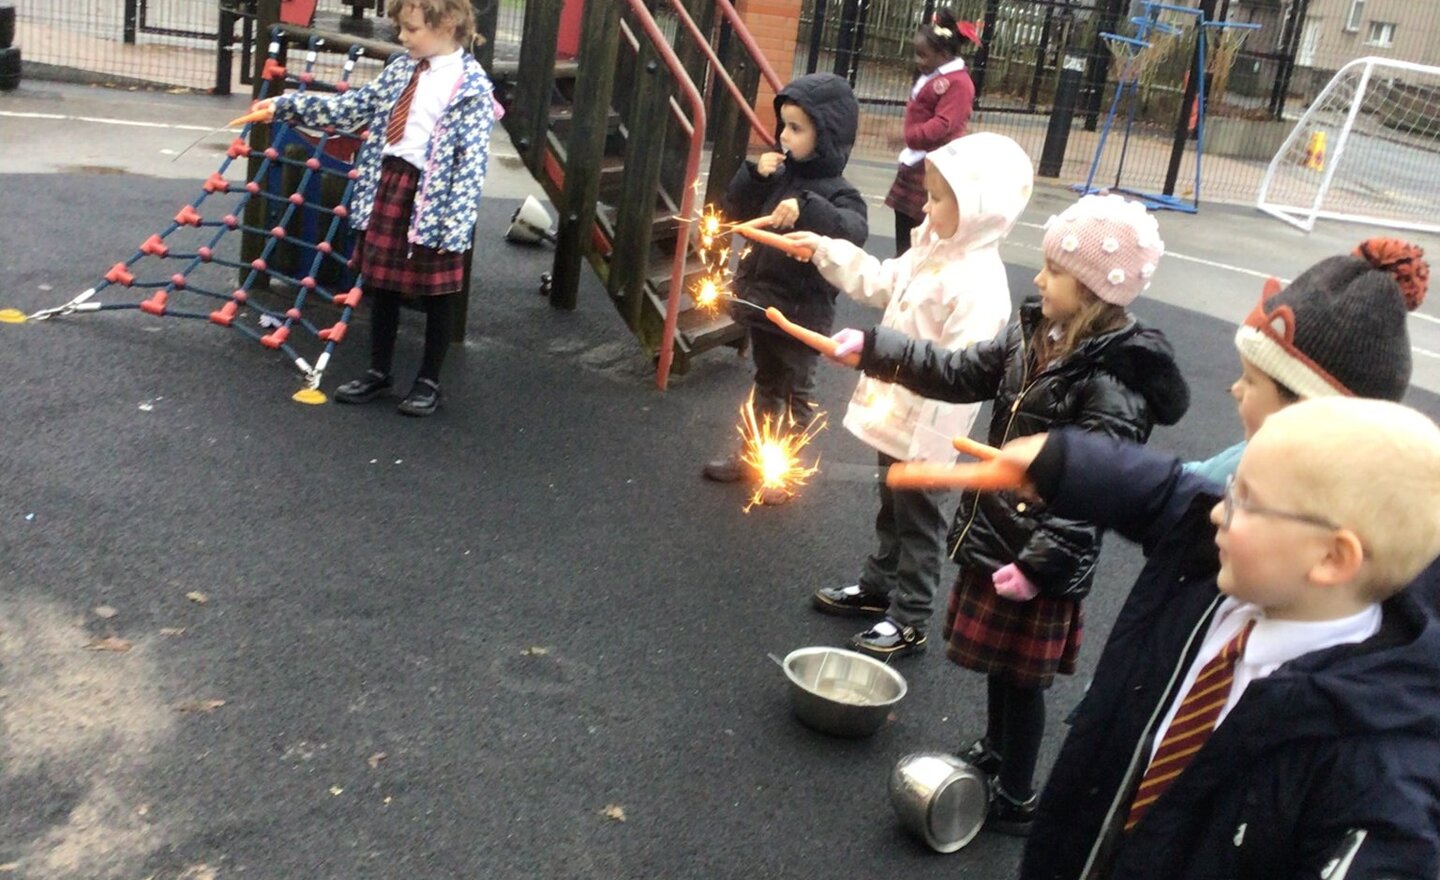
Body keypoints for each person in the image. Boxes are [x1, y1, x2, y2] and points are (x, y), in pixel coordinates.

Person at [828, 193, 1190, 832]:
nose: (1039, 279)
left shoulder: (1114, 380)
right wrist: (878, 349)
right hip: (1002, 528)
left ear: (1092, 289)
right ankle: (997, 752)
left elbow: (1093, 493)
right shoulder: (1032, 334)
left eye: (1055, 271)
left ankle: (1017, 795)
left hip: (1038, 554)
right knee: (1002, 669)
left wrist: (1039, 566)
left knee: (1024, 683)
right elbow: (958, 371)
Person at [992, 398, 1440, 880]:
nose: (1215, 512)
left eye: (1244, 499)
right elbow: (1167, 492)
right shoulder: (1229, 575)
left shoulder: (1378, 780)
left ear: (1331, 558)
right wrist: (1066, 463)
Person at [784, 133, 1033, 658]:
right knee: (892, 508)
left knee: (919, 521)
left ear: (980, 211)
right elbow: (879, 281)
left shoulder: (979, 286)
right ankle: (879, 586)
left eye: (939, 199)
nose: (925, 207)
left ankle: (911, 615)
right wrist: (825, 251)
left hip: (928, 433)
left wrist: (931, 450)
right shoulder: (929, 251)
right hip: (895, 412)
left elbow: (961, 378)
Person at [256, 0, 497, 416]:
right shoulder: (401, 70)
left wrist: (455, 225)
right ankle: (379, 371)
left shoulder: (472, 87)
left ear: (448, 24)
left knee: (437, 292)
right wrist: (285, 105)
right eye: (401, 28)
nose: (402, 38)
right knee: (381, 284)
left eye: (412, 29)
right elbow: (351, 107)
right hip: (389, 183)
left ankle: (428, 381)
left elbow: (471, 163)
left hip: (434, 200)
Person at [701, 72, 868, 502]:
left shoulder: (841, 193)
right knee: (765, 383)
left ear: (825, 137)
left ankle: (786, 471)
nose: (784, 136)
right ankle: (752, 455)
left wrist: (808, 208)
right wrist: (754, 176)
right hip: (765, 303)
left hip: (804, 313)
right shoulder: (777, 176)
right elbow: (734, 209)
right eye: (784, 126)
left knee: (795, 393)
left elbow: (853, 231)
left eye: (797, 128)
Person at [1186, 237, 1428, 484]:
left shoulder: (1264, 482)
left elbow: (1192, 486)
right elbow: (1191, 477)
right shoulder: (1259, 449)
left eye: (1251, 380)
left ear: (1307, 410)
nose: (1236, 389)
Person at [884, 7, 981, 257]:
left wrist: (908, 137)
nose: (918, 61)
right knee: (905, 234)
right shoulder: (934, 75)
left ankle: (913, 273)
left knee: (922, 238)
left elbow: (943, 124)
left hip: (934, 164)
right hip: (917, 161)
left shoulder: (959, 83)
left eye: (923, 55)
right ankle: (902, 271)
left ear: (944, 54)